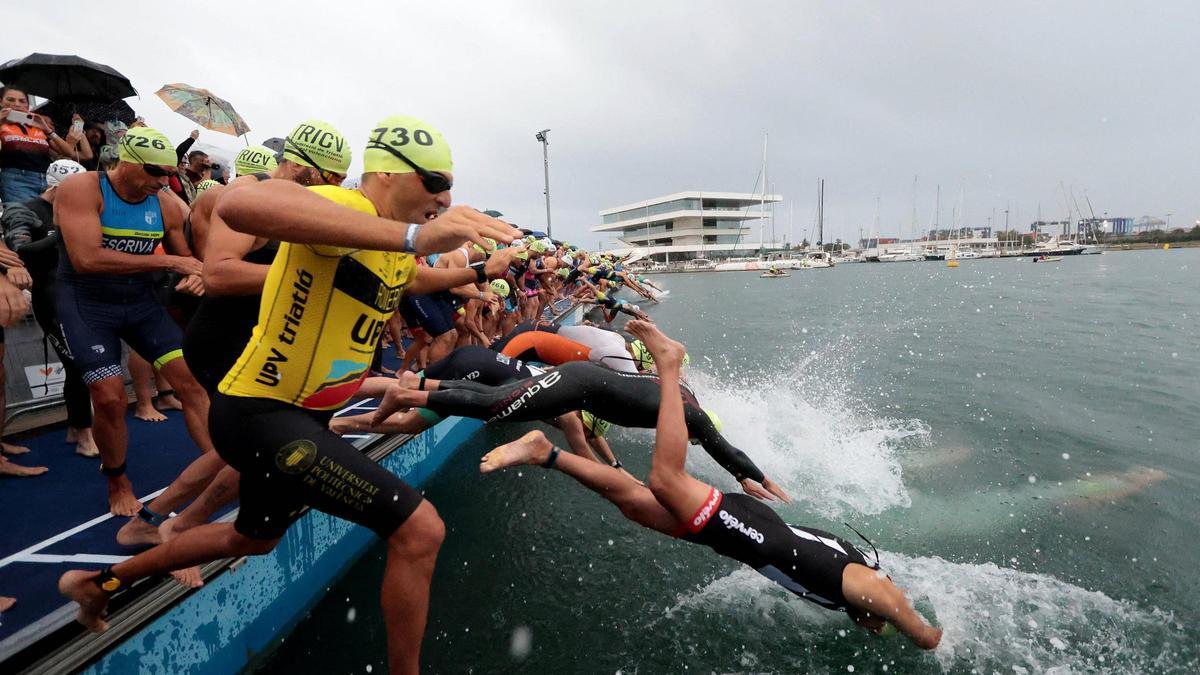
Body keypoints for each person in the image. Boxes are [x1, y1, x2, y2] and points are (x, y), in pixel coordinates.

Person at [59, 114, 520, 675]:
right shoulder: (346, 209)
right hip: (262, 412)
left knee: (252, 538)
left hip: (295, 415)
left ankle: (97, 583)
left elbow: (413, 278)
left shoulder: (386, 243)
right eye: (435, 182)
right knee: (420, 527)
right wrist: (417, 237)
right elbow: (241, 208)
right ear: (390, 174)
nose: (445, 198)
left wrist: (475, 265)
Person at [479, 321, 943, 649]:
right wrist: (932, 638)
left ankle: (546, 452)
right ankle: (668, 363)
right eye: (875, 627)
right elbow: (906, 617)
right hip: (754, 534)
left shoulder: (853, 594)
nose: (871, 628)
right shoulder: (868, 590)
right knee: (664, 479)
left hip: (751, 534)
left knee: (637, 505)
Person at [115, 120, 352, 550]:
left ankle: (156, 520)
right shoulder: (252, 199)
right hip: (223, 337)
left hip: (251, 336)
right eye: (331, 180)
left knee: (239, 450)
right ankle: (173, 527)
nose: (331, 190)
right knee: (256, 446)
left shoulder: (288, 204)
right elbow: (219, 273)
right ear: (308, 169)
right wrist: (299, 275)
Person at [52, 127, 212, 515]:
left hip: (139, 302)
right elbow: (87, 259)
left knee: (191, 381)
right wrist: (170, 262)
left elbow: (188, 258)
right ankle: (118, 481)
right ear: (125, 163)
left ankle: (223, 467)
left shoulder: (167, 204)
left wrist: (194, 273)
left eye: (168, 174)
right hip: (87, 303)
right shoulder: (81, 189)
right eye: (155, 173)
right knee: (109, 398)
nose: (162, 182)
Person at [372, 359, 789, 501]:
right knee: (494, 407)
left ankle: (420, 385)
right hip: (576, 386)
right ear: (696, 427)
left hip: (581, 382)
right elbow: (727, 450)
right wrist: (755, 479)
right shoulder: (689, 415)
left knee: (501, 394)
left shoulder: (683, 393)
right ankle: (407, 397)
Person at [0, 159, 99, 457]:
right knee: (79, 365)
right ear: (55, 188)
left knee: (81, 367)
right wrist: (62, 234)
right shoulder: (24, 209)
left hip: (81, 298)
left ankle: (75, 428)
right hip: (51, 299)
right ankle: (84, 435)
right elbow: (20, 251)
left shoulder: (78, 210)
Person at [0, 86, 79, 204]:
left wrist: (47, 130)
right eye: (11, 100)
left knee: (47, 221)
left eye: (22, 101)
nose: (17, 104)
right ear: (1, 102)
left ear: (27, 105)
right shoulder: (2, 126)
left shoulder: (37, 125)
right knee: (23, 219)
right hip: (17, 182)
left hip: (47, 181)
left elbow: (68, 152)